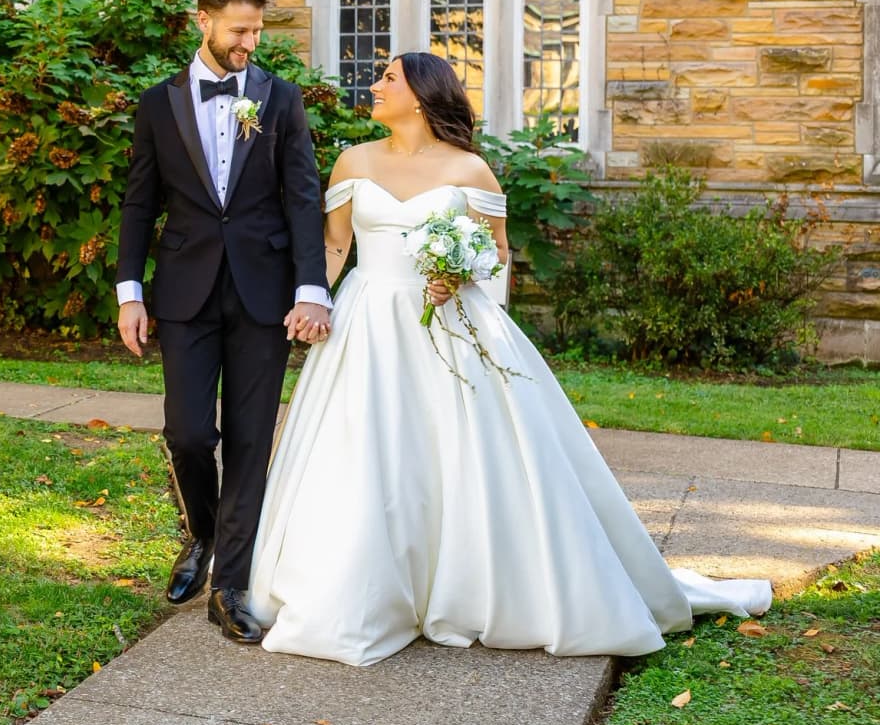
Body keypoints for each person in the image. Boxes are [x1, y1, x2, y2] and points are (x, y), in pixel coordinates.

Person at [245, 51, 773, 666]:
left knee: (457, 454)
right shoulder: (353, 161)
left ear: (420, 95)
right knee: (364, 449)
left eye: (389, 78)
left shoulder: (470, 171)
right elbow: (335, 246)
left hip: (448, 328)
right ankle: (362, 588)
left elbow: (497, 256)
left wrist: (457, 276)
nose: (376, 85)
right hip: (367, 323)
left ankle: (466, 586)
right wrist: (316, 302)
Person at [115, 0, 330, 644]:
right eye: (240, 31)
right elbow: (139, 202)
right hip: (184, 289)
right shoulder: (158, 104)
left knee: (247, 438)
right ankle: (202, 533)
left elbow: (302, 196)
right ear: (202, 20)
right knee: (187, 433)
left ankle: (230, 585)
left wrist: (310, 286)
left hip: (264, 290)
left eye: (258, 31)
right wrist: (130, 291)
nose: (250, 44)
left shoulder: (280, 99)